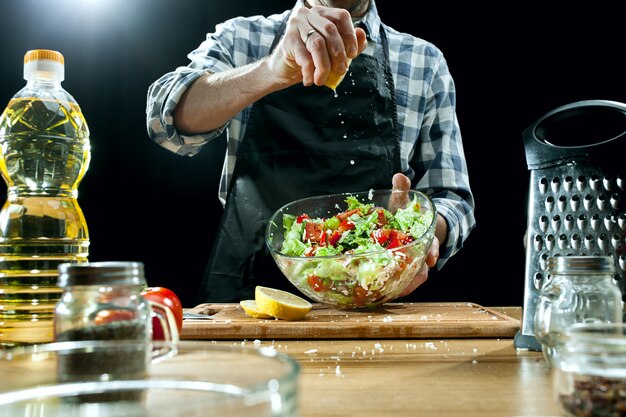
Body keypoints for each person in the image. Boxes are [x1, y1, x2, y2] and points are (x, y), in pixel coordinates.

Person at [145, 0, 476, 303]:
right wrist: (270, 71)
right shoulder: (242, 38)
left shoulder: (423, 61)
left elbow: (452, 199)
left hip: (372, 297)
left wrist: (418, 234)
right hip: (248, 301)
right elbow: (164, 118)